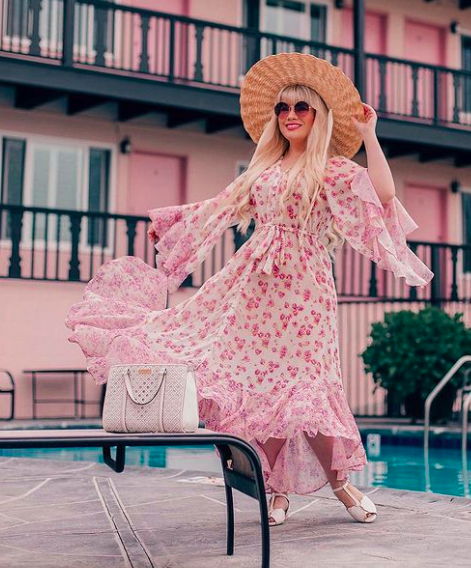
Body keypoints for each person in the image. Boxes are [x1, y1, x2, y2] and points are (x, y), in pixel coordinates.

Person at [65, 52, 434, 527]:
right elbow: (221, 205)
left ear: (318, 117)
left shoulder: (332, 170)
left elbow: (382, 196)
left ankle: (342, 486)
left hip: (305, 289)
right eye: (283, 109)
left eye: (301, 108)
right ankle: (278, 490)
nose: (291, 116)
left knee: (307, 387)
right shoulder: (265, 169)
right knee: (261, 387)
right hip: (254, 286)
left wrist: (369, 135)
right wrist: (174, 224)